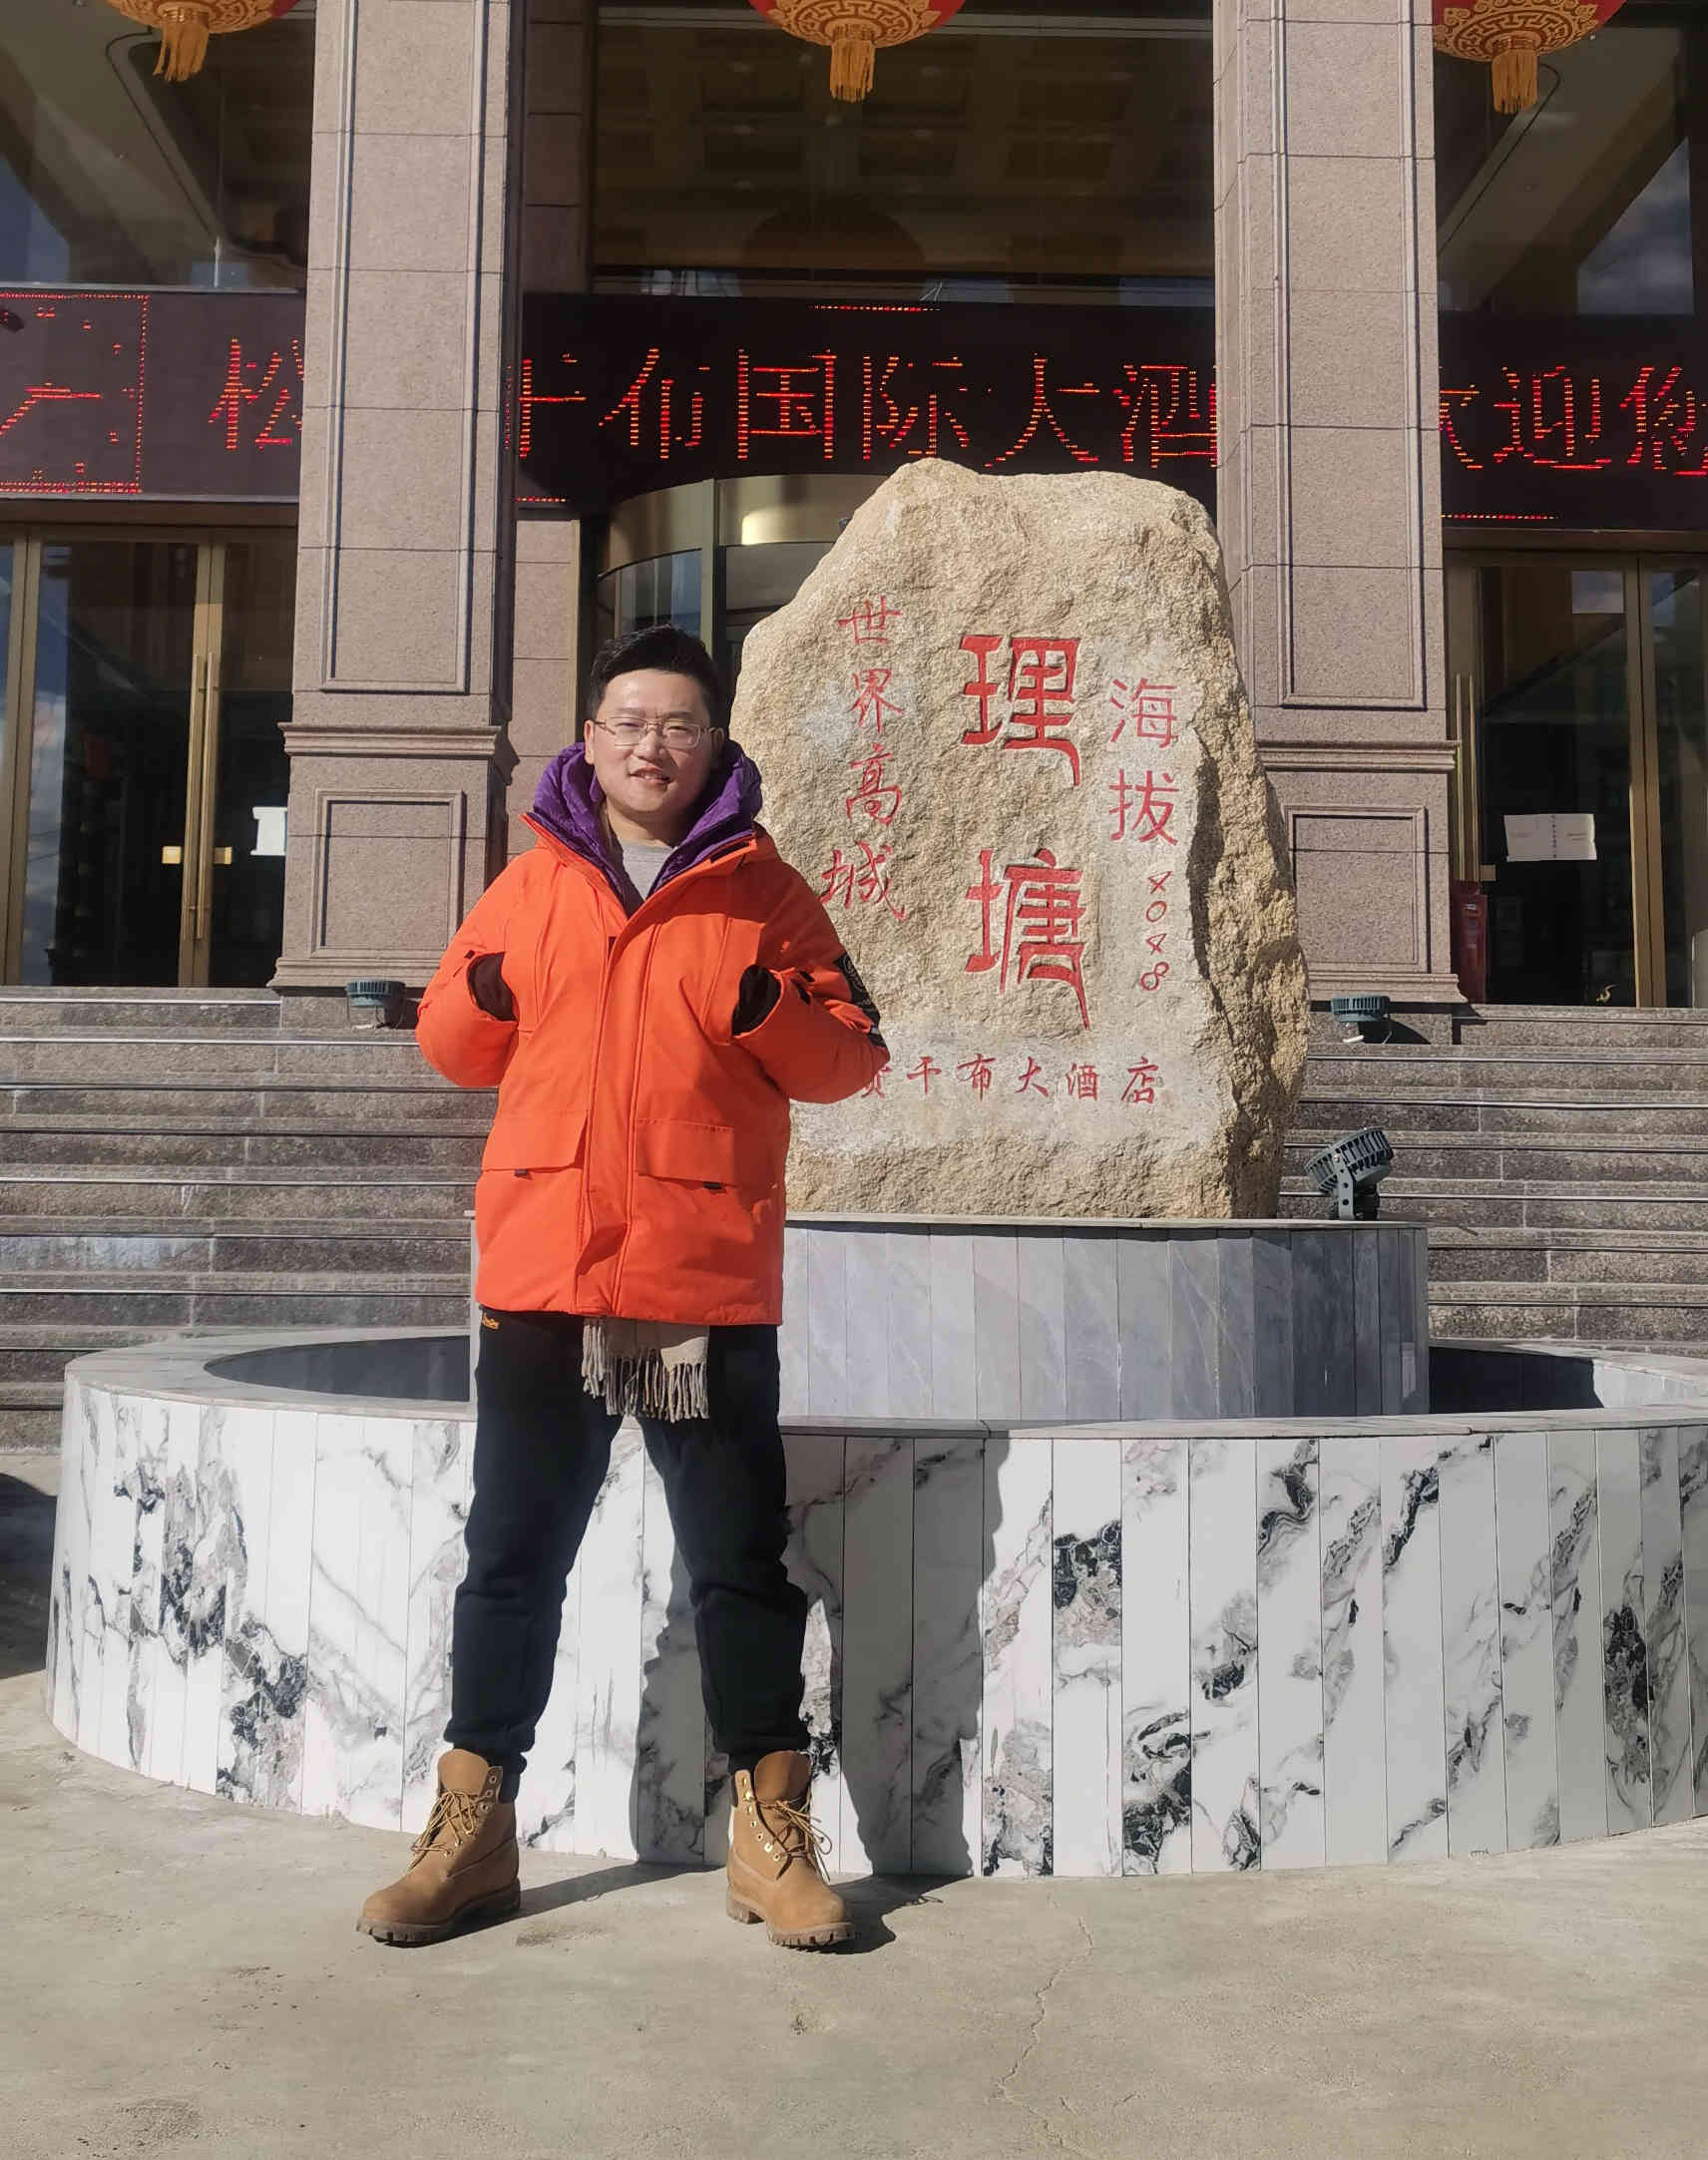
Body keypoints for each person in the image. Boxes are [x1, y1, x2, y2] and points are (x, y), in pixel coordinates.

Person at [356, 625, 888, 1952]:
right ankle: (473, 1829)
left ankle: (770, 1838)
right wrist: (483, 990)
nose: (654, 746)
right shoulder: (530, 881)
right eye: (630, 722)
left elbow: (850, 1058)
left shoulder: (765, 891)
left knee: (738, 1566)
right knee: (511, 1560)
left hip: (697, 1282)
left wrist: (766, 1008)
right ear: (590, 740)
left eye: (681, 724)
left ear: (716, 743)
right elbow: (450, 1045)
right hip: (547, 1274)